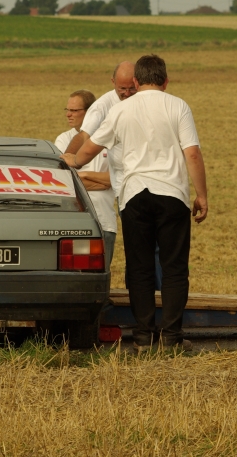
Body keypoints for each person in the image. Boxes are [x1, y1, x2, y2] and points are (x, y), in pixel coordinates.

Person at [62, 54, 208, 351]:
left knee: (139, 267)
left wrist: (71, 161)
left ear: (137, 82)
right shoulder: (178, 106)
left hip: (133, 195)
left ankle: (143, 337)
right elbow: (192, 153)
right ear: (166, 81)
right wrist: (202, 194)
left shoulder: (121, 110)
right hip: (171, 195)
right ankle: (172, 337)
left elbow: (89, 149)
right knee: (174, 268)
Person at [65, 62, 164, 288]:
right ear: (113, 84)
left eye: (132, 88)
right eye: (122, 89)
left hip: (156, 181)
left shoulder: (149, 101)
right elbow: (84, 136)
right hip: (127, 188)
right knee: (138, 246)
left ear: (138, 82)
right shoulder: (103, 107)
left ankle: (158, 299)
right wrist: (68, 159)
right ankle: (141, 298)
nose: (127, 94)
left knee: (158, 247)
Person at [53, 89, 117, 266]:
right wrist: (103, 181)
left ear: (90, 112)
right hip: (72, 222)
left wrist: (83, 175)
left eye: (74, 110)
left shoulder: (109, 140)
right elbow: (63, 182)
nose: (68, 114)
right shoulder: (62, 140)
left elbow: (116, 179)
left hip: (104, 223)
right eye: (67, 109)